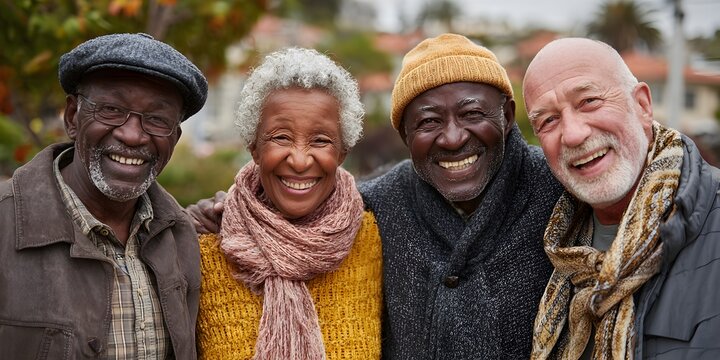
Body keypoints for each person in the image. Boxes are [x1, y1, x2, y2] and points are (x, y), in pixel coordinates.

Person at [188, 33, 565, 359]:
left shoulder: (560, 190)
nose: (453, 138)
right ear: (405, 136)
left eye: (472, 114)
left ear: (508, 114)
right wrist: (229, 212)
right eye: (429, 122)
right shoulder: (382, 205)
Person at [0, 33, 207, 359]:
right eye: (111, 110)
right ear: (72, 117)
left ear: (175, 138)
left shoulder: (182, 237)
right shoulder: (5, 224)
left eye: (156, 119)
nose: (133, 135)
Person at [523, 37, 720, 360]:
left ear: (642, 105)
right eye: (548, 121)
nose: (573, 134)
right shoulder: (549, 250)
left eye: (588, 101)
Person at [195, 47, 382, 359]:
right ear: (254, 148)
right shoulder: (205, 247)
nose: (298, 160)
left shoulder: (373, 239)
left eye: (321, 141)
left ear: (342, 154)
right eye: (281, 138)